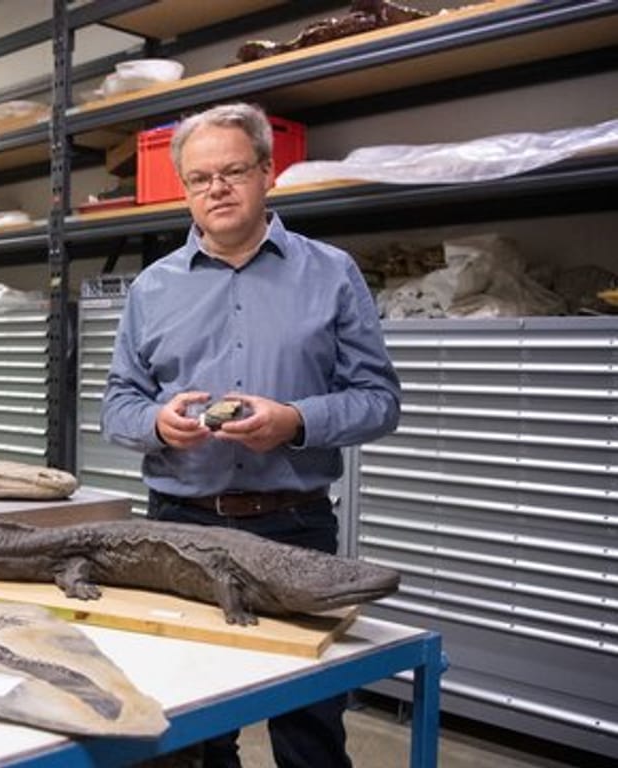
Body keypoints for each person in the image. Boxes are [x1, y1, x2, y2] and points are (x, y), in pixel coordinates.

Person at [100, 102, 401, 768]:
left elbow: (380, 402)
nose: (217, 189)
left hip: (294, 531)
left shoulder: (330, 273)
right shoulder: (152, 288)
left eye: (234, 171)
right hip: (180, 530)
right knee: (193, 728)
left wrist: (296, 422)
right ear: (183, 187)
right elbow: (116, 404)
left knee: (310, 727)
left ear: (268, 172)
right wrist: (158, 423)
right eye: (200, 177)